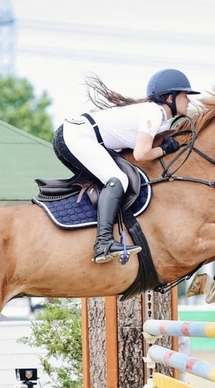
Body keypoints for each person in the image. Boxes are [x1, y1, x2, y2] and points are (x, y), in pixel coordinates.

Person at [53, 69, 200, 264]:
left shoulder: (153, 114)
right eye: (184, 95)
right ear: (169, 97)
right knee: (117, 180)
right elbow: (142, 154)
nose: (188, 100)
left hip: (76, 135)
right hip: (77, 136)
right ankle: (103, 243)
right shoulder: (153, 112)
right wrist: (164, 150)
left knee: (115, 179)